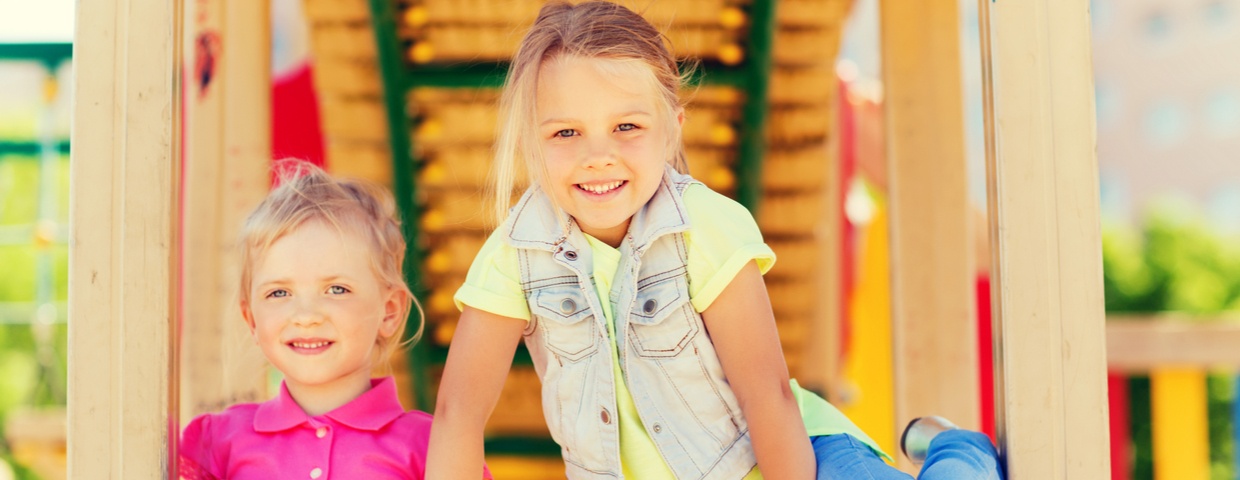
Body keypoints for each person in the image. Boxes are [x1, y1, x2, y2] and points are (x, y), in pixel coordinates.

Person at [425, 1, 1003, 479]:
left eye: (626, 126)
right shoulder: (514, 257)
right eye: (566, 132)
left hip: (797, 460)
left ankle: (958, 453)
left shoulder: (703, 226)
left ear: (672, 126)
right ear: (531, 139)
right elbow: (457, 414)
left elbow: (768, 395)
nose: (597, 154)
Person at [178, 162, 491, 480]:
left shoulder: (432, 447)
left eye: (336, 289)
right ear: (251, 319)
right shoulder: (216, 443)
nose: (306, 316)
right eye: (279, 293)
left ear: (390, 311)